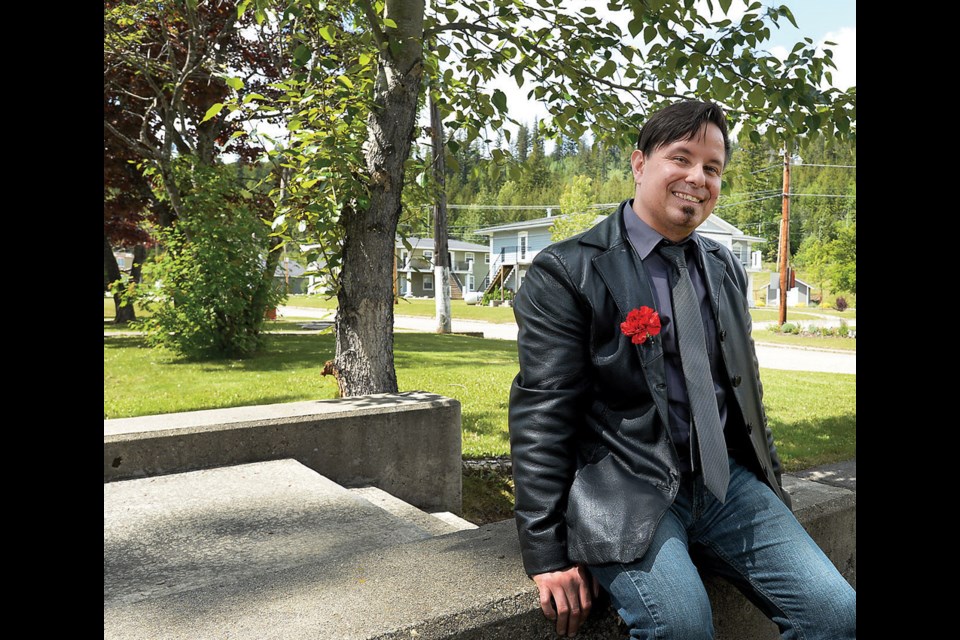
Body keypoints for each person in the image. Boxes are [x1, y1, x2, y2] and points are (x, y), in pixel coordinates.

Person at [508, 100, 856, 638]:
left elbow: (744, 394)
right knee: (683, 626)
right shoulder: (567, 271)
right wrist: (546, 551)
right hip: (627, 489)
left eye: (712, 168)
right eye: (682, 158)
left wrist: (772, 492)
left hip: (727, 486)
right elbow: (542, 415)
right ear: (639, 162)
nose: (697, 178)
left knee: (839, 615)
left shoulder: (721, 268)